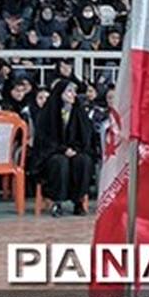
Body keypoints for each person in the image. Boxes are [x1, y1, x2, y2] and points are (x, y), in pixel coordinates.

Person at [33, 80, 94, 216]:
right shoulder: (47, 113)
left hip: (74, 150)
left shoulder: (79, 111)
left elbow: (85, 135)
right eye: (69, 91)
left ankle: (78, 202)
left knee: (84, 161)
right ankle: (57, 202)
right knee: (60, 162)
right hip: (51, 152)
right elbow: (44, 139)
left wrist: (75, 149)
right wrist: (62, 149)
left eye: (74, 91)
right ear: (60, 93)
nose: (73, 95)